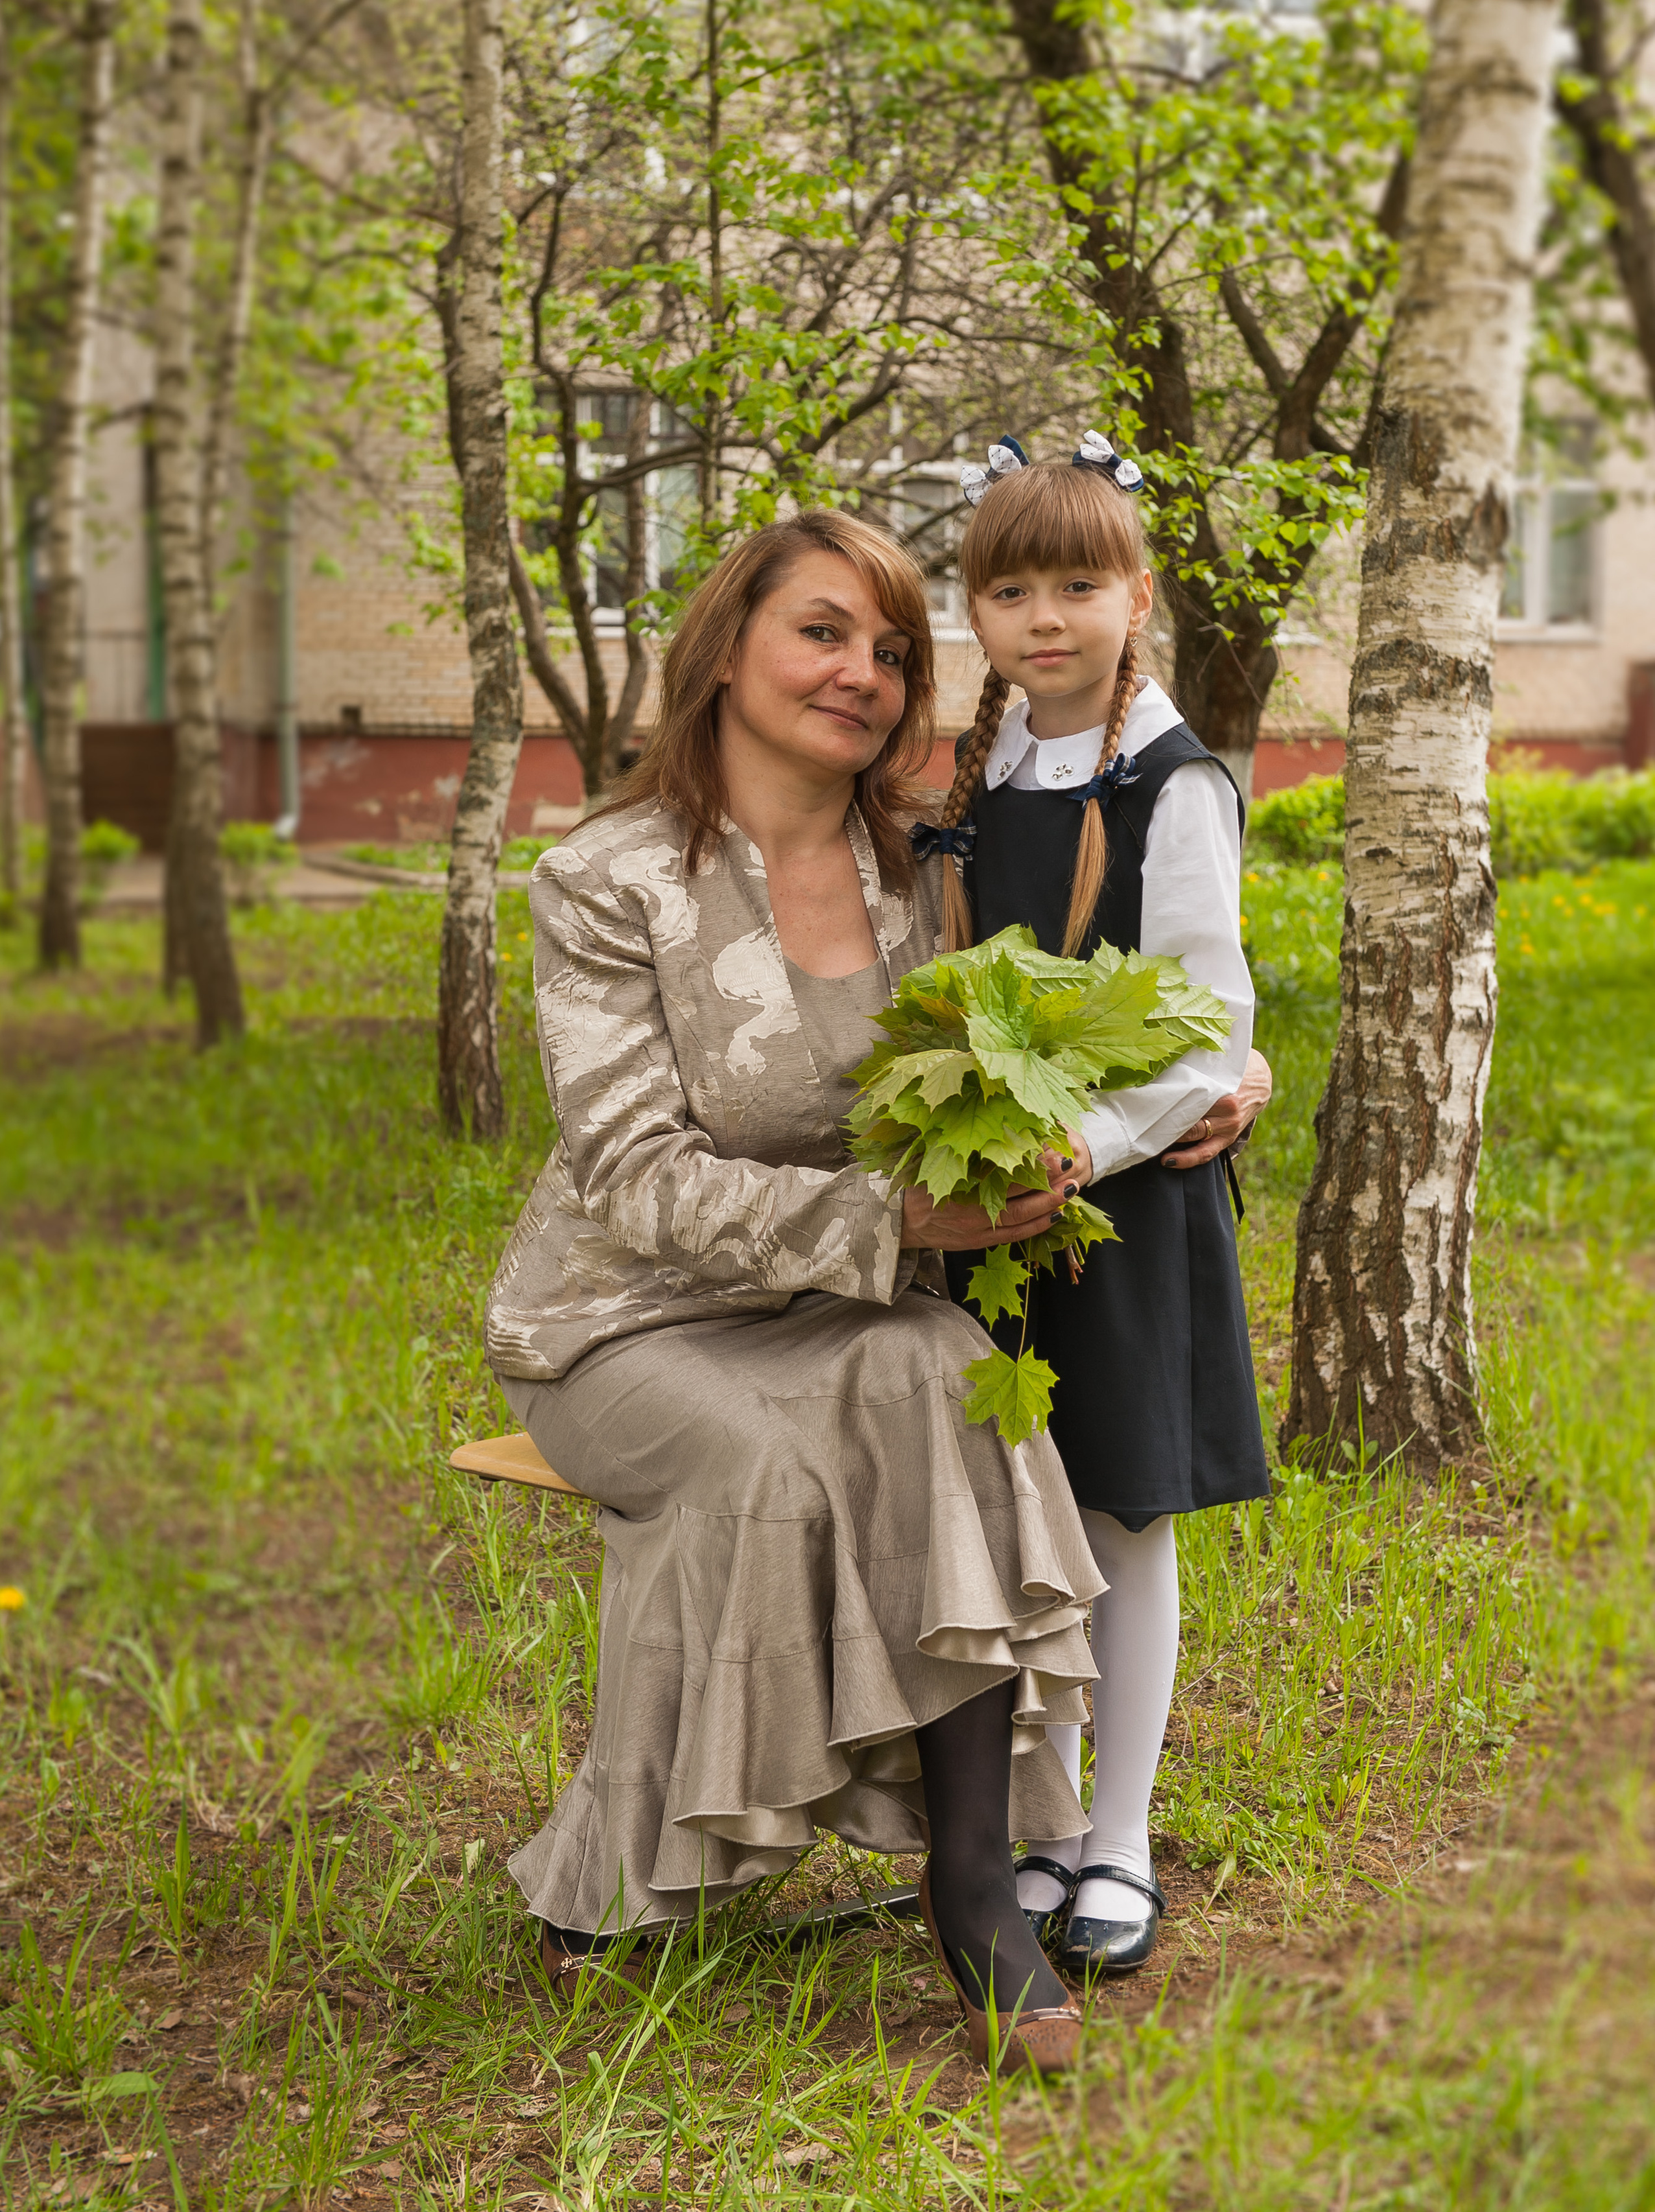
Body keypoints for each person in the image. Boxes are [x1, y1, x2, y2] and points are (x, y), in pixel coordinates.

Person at [485, 508, 1105, 2073]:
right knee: (757, 1466)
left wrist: (1128, 1108)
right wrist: (896, 1224)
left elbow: (999, 1051)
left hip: (827, 1305)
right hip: (620, 1322)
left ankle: (971, 1892)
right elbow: (632, 1178)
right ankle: (620, 1885)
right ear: (727, 650)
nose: (863, 675)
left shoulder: (915, 878)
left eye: (892, 650)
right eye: (823, 631)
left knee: (944, 1375)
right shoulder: (606, 879)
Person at [931, 434, 1272, 1979]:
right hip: (983, 1214)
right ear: (976, 614)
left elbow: (1204, 1019)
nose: (1043, 618)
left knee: (1120, 1516)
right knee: (1010, 1515)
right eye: (1009, 590)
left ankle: (1120, 1835)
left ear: (1135, 598)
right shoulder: (970, 774)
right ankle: (1044, 1820)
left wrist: (1075, 1143)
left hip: (1109, 1209)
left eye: (1077, 584)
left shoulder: (1166, 784)